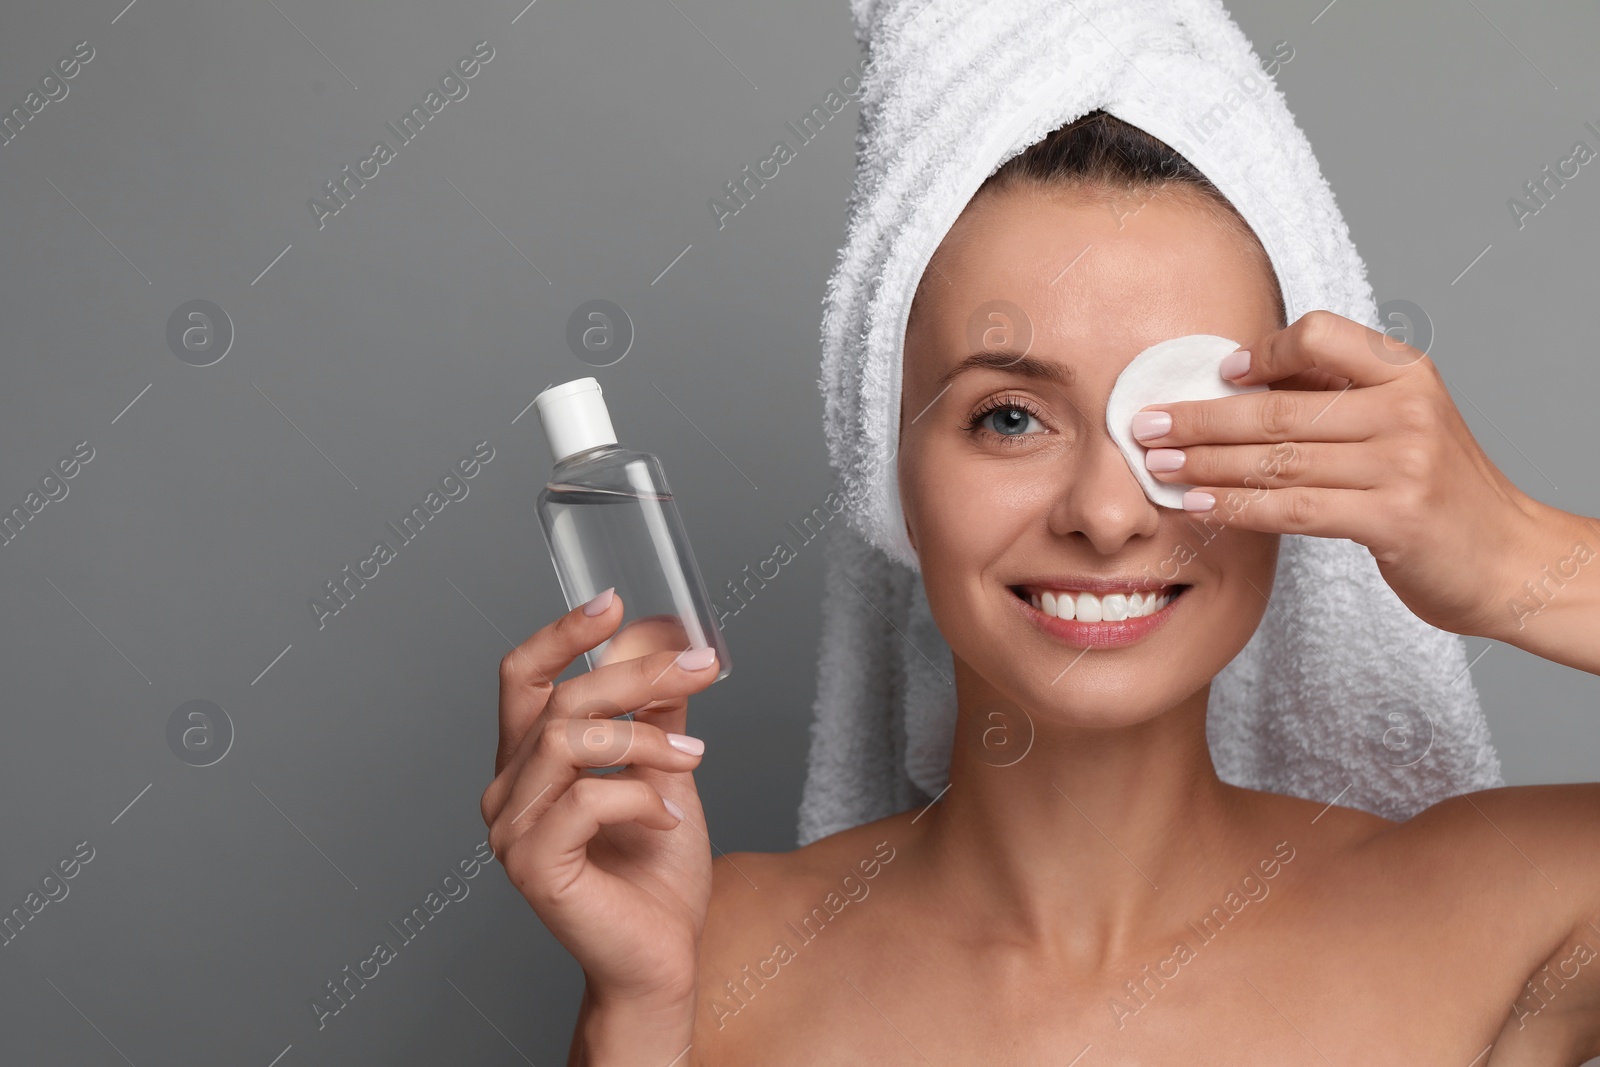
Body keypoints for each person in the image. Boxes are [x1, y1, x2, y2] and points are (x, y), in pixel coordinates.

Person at [481, 111, 1600, 1065]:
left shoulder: (1498, 919)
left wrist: (1509, 555)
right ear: (892, 480)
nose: (1105, 514)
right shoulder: (719, 959)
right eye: (1008, 417)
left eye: (1184, 422)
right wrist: (640, 1014)